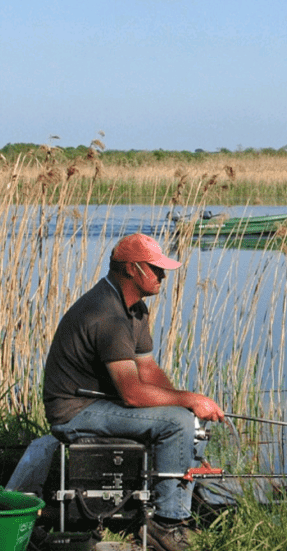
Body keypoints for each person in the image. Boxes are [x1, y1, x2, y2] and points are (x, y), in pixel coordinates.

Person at [43, 233, 224, 551]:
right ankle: (166, 524)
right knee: (174, 424)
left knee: (181, 418)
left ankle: (175, 501)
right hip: (73, 411)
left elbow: (149, 371)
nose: (163, 276)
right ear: (132, 269)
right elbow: (132, 394)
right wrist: (188, 403)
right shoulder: (107, 314)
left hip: (99, 403)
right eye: (156, 269)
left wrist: (187, 407)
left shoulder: (135, 309)